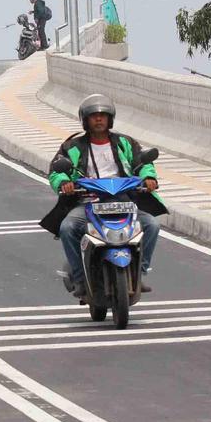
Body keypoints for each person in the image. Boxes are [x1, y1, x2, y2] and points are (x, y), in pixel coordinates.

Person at [40, 93, 164, 298]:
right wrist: (64, 183)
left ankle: (140, 273)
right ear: (85, 120)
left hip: (124, 200)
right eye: (94, 115)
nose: (99, 119)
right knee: (67, 227)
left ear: (110, 119)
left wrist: (148, 179)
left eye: (103, 115)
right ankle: (80, 279)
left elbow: (144, 164)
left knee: (151, 225)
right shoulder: (72, 147)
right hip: (87, 202)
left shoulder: (126, 143)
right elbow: (56, 170)